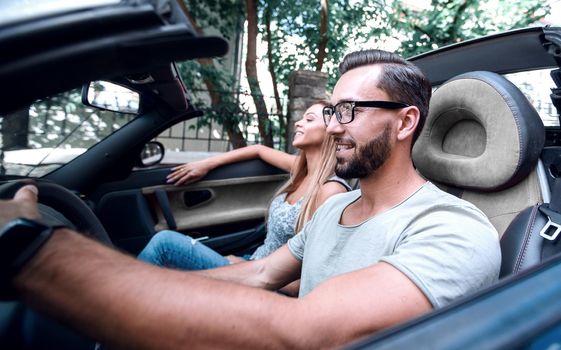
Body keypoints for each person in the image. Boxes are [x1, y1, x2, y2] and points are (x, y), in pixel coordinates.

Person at [2, 49, 500, 349]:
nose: (333, 127)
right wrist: (135, 293)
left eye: (348, 111)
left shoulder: (453, 228)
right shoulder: (333, 209)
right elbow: (259, 274)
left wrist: (35, 252)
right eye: (331, 112)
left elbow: (310, 331)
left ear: (405, 122)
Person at [138, 101, 350, 271]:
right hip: (252, 263)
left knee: (165, 244)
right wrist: (206, 164)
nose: (298, 123)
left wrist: (243, 268)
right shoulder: (301, 169)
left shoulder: (330, 190)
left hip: (265, 281)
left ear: (331, 130)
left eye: (309, 119)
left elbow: (312, 270)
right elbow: (258, 150)